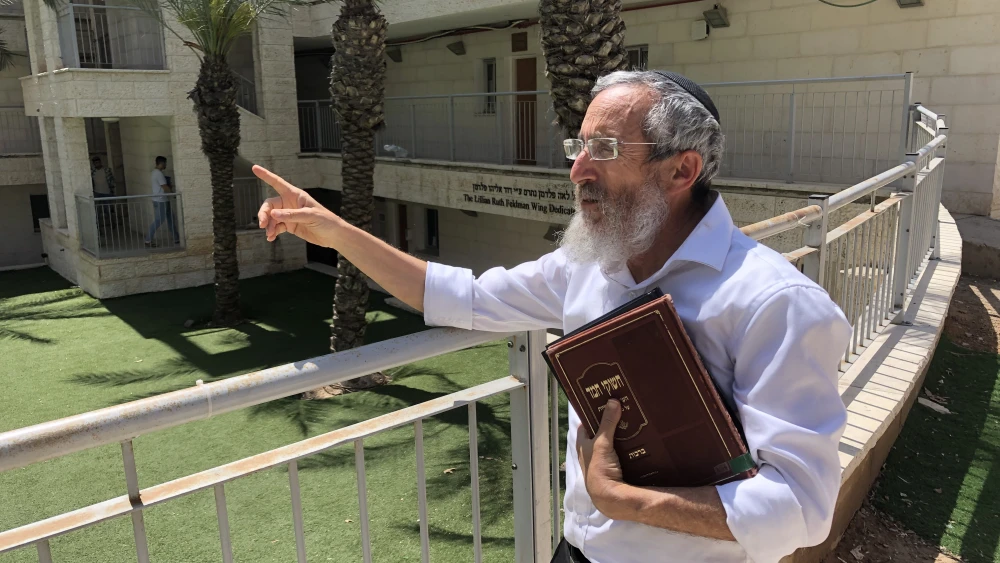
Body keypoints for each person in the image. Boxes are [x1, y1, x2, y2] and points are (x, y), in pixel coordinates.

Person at [253, 70, 852, 563]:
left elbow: (803, 507)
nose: (577, 172)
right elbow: (458, 296)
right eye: (579, 147)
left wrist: (629, 503)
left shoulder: (776, 303)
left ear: (682, 170)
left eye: (606, 150)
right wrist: (335, 233)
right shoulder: (584, 267)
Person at [146, 155, 179, 246]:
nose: (166, 165)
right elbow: (164, 187)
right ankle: (148, 239)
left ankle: (176, 238)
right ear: (161, 163)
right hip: (161, 200)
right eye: (165, 163)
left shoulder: (154, 172)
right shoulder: (158, 174)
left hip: (163, 199)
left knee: (170, 219)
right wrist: (173, 193)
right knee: (159, 220)